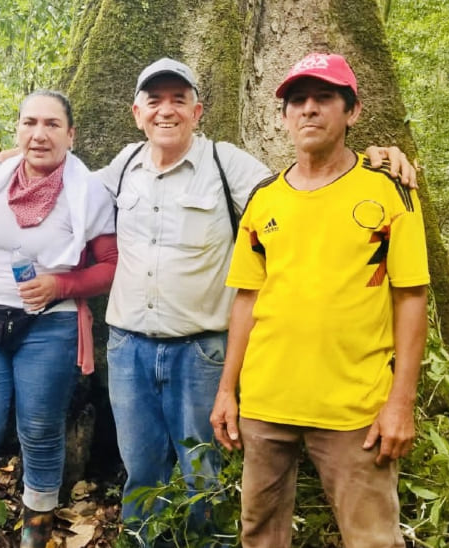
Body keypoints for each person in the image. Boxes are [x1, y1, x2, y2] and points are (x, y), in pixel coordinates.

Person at [96, 57, 418, 541]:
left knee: (208, 480)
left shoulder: (233, 167)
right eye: (154, 101)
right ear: (136, 112)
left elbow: (317, 189)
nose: (167, 111)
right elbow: (62, 184)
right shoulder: (122, 168)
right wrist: (15, 158)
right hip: (142, 354)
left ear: (198, 111)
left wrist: (380, 157)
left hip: (212, 353)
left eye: (179, 100)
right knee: (148, 476)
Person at [209, 52, 429, 547]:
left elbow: (412, 298)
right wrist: (228, 390)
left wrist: (402, 403)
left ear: (351, 111)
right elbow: (247, 298)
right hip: (266, 404)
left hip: (355, 409)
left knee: (372, 537)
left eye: (324, 98)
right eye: (297, 101)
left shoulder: (389, 192)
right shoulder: (263, 200)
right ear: (284, 116)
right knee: (259, 533)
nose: (309, 109)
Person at [0, 90, 118, 548]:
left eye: (52, 125)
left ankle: (34, 534)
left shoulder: (87, 192)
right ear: (18, 128)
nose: (38, 134)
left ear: (71, 134)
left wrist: (61, 286)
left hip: (49, 327)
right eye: (29, 123)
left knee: (40, 432)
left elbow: (110, 265)